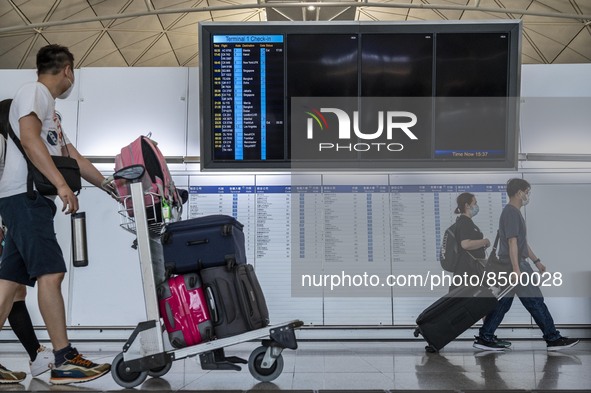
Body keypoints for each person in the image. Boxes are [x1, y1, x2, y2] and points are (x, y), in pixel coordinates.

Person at [0, 44, 112, 384]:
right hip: (26, 198)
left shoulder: (52, 113)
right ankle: (64, 360)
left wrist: (110, 187)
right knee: (52, 274)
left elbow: (72, 156)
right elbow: (31, 141)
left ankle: (63, 358)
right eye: (72, 72)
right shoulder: (34, 93)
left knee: (8, 286)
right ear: (67, 70)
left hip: (25, 201)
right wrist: (62, 185)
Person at [473, 178, 579, 351]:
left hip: (513, 265)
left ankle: (485, 337)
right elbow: (512, 242)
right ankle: (553, 338)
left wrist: (537, 261)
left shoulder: (513, 212)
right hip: (515, 266)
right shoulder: (511, 212)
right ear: (518, 192)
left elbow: (522, 243)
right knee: (535, 301)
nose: (528, 195)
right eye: (527, 191)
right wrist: (517, 269)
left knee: (503, 303)